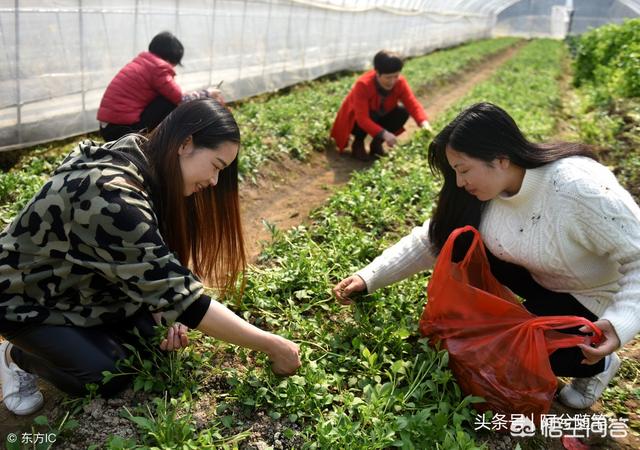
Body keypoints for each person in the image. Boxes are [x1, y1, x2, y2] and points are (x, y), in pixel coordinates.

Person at [0, 99, 300, 416]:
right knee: (107, 376)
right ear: (186, 144)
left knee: (154, 347)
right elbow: (190, 302)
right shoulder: (112, 195)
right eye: (216, 166)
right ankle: (16, 356)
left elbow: (162, 267)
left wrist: (163, 304)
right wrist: (272, 345)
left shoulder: (146, 156)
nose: (214, 182)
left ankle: (79, 338)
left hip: (85, 285)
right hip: (25, 299)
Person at [333, 102, 640, 409]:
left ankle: (598, 366)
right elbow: (433, 239)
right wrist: (368, 277)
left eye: (463, 170)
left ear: (501, 159)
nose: (459, 182)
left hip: (593, 299)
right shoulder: (484, 193)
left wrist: (618, 323)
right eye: (454, 171)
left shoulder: (579, 189)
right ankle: (528, 320)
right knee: (464, 245)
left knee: (514, 355)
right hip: (542, 279)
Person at [97, 31, 224, 142]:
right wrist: (208, 93)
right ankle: (156, 140)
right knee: (170, 102)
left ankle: (154, 137)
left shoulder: (144, 62)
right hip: (121, 131)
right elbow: (180, 99)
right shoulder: (158, 68)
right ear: (172, 58)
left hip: (108, 127)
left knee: (166, 98)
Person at [330, 50, 432, 161]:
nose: (392, 81)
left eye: (396, 76)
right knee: (365, 117)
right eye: (388, 77)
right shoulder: (363, 85)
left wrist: (424, 123)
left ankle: (376, 144)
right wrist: (385, 134)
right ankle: (358, 143)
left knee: (402, 112)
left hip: (379, 115)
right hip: (357, 121)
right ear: (377, 73)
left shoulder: (400, 82)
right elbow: (362, 119)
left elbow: (412, 103)